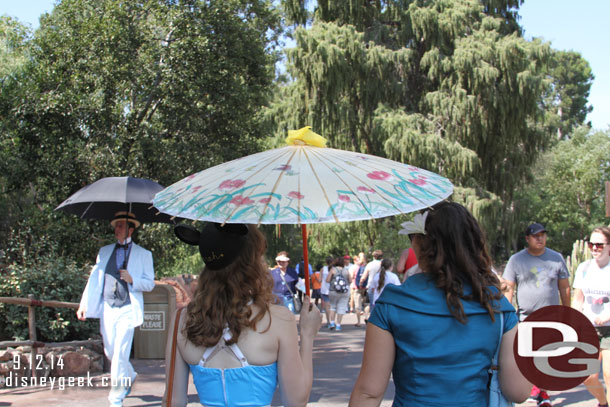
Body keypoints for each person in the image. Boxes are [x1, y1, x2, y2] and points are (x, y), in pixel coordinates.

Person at [350, 202, 530, 406]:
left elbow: (369, 394)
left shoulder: (392, 304)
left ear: (418, 243)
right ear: (473, 243)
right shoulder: (497, 305)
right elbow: (518, 392)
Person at [164, 222, 321, 407]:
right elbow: (296, 401)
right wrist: (308, 335)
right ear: (252, 260)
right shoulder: (278, 319)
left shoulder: (182, 320)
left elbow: (173, 401)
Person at [76, 211, 155, 407]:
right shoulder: (104, 251)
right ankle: (129, 374)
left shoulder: (144, 254)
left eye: (120, 226)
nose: (116, 229)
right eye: (115, 226)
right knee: (111, 352)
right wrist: (84, 303)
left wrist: (133, 279)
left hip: (128, 308)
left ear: (131, 229)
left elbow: (150, 284)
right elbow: (94, 280)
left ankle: (116, 398)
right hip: (108, 308)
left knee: (120, 353)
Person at [502, 222, 571, 406]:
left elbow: (564, 288)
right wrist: (506, 315)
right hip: (525, 317)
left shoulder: (556, 258)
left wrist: (568, 312)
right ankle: (538, 390)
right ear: (527, 239)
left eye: (542, 235)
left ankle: (542, 391)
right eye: (535, 235)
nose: (540, 238)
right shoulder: (516, 260)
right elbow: (509, 288)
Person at [573, 226, 610, 407]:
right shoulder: (584, 268)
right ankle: (603, 403)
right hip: (589, 330)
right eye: (591, 244)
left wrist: (607, 316)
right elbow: (578, 299)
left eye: (600, 245)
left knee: (609, 375)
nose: (595, 248)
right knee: (588, 377)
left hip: (609, 329)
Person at [326, 257, 351, 331]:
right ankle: (338, 325)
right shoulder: (346, 271)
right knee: (342, 307)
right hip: (344, 292)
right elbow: (350, 280)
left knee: (333, 306)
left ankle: (332, 322)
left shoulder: (333, 270)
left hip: (333, 291)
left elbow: (327, 280)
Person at [359, 249, 383, 316]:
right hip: (382, 286)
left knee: (371, 303)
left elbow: (364, 277)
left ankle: (370, 319)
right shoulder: (384, 264)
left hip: (371, 286)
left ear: (374, 256)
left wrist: (360, 284)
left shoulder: (370, 264)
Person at [349, 253, 366, 327]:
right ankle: (366, 317)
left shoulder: (355, 267)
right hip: (365, 288)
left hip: (356, 287)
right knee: (366, 304)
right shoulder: (367, 266)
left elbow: (352, 276)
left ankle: (359, 321)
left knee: (357, 304)